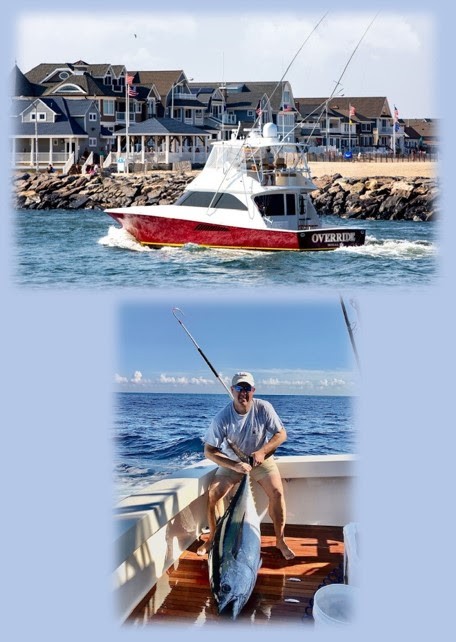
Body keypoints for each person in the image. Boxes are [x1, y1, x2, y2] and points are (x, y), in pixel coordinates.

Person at [197, 372, 295, 560]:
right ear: (232, 390)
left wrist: (262, 452)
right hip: (233, 463)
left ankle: (280, 540)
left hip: (261, 461)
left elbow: (281, 434)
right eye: (239, 388)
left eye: (247, 388)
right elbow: (209, 451)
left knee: (277, 493)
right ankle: (212, 539)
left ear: (253, 391)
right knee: (213, 496)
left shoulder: (264, 408)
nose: (243, 393)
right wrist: (235, 465)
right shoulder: (222, 418)